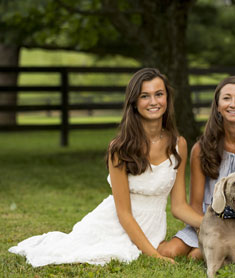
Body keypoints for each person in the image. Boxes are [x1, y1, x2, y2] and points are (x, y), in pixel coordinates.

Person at [9, 68, 203, 267]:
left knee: (167, 250)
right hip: (114, 225)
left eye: (159, 94)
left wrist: (211, 225)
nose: (154, 102)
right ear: (134, 103)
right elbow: (124, 214)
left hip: (153, 227)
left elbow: (179, 206)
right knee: (84, 253)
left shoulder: (179, 144)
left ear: (167, 99)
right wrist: (155, 256)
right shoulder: (120, 148)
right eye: (145, 96)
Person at [158, 75, 235, 260]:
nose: (233, 104)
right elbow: (195, 204)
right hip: (208, 221)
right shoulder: (201, 149)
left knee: (196, 256)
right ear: (218, 106)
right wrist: (206, 230)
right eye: (226, 98)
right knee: (168, 252)